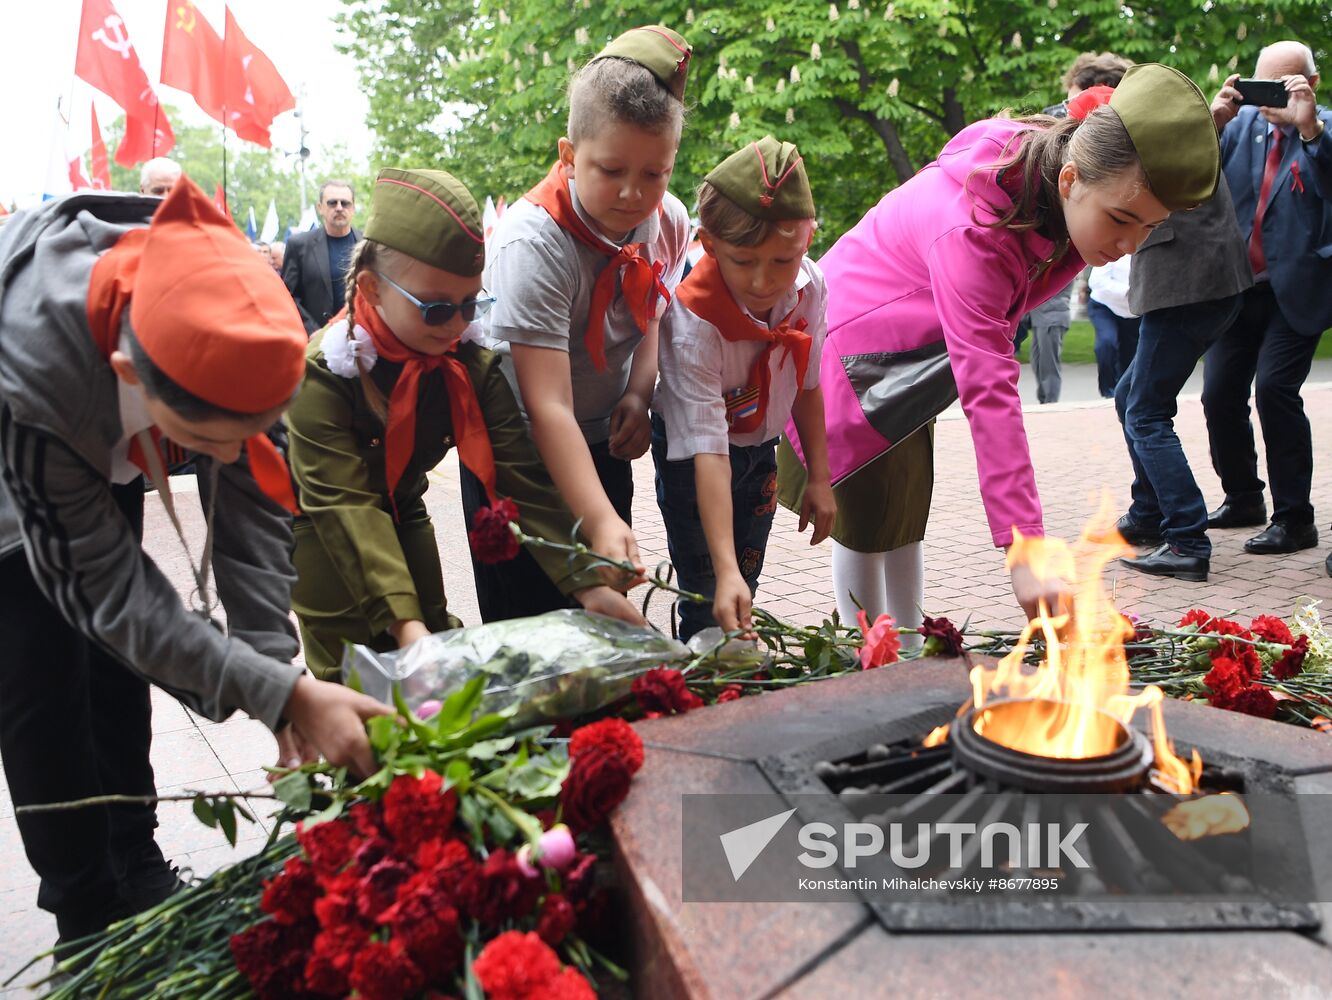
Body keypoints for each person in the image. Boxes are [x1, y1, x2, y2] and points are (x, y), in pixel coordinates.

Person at [0, 179, 390, 952]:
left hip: (107, 411)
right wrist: (276, 694)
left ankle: (133, 855)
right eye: (202, 443)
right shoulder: (42, 378)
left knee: (116, 670)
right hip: (22, 456)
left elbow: (252, 519)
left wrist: (279, 687)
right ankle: (83, 918)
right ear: (131, 377)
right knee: (42, 674)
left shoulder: (239, 320)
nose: (221, 458)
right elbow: (107, 593)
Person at [778, 65, 1221, 626]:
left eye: (1149, 229)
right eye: (1122, 219)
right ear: (1069, 181)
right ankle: (871, 660)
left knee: (901, 522)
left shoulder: (1063, 186)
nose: (1129, 245)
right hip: (852, 361)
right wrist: (1025, 546)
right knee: (865, 527)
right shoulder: (975, 232)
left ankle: (910, 654)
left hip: (910, 370)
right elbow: (990, 389)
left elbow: (1103, 108)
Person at [285, 167, 645, 678]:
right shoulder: (324, 373)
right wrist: (408, 636)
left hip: (402, 506)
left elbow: (520, 476)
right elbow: (346, 506)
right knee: (355, 676)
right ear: (373, 287)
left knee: (434, 632)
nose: (457, 324)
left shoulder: (467, 361)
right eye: (436, 309)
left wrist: (587, 584)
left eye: (470, 304)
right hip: (316, 521)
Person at [470, 25, 691, 620]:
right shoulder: (532, 245)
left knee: (603, 628)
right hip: (517, 456)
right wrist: (597, 519)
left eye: (655, 173)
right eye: (611, 169)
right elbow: (545, 405)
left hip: (598, 440)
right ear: (569, 157)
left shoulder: (668, 218)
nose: (633, 194)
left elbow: (655, 309)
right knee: (532, 632)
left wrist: (639, 393)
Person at [653, 136, 835, 639]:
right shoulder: (693, 322)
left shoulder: (810, 287)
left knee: (745, 579)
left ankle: (733, 660)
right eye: (743, 260)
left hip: (759, 452)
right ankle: (700, 682)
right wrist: (724, 570)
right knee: (706, 588)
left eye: (782, 261)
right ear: (709, 245)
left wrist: (819, 476)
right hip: (694, 460)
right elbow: (707, 449)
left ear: (807, 240)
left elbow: (808, 384)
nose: (762, 281)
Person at [1203, 40, 1332, 558]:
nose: (1267, 99)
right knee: (1218, 395)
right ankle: (1243, 498)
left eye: (1280, 86)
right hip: (1241, 286)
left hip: (1297, 290)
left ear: (1310, 83)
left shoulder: (1321, 129)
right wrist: (1210, 123)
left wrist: (1309, 129)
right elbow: (1192, 176)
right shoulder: (1240, 128)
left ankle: (1295, 519)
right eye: (1260, 85)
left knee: (1275, 390)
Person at [1115, 172, 1252, 582]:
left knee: (1145, 413)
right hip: (1209, 277)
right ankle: (1149, 512)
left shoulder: (1145, 117)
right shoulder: (1183, 114)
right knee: (1130, 397)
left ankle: (1186, 541)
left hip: (1184, 281)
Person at [1022, 51, 1135, 404]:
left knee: (1044, 336)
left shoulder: (1122, 133)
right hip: (1038, 250)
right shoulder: (1053, 124)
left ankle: (1048, 406)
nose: (1066, 103)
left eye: (1071, 93)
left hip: (1052, 253)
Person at [283, 180, 362, 333]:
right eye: (332, 203)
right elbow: (287, 296)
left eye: (345, 203)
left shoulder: (368, 245)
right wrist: (311, 330)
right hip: (316, 342)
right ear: (320, 208)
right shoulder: (299, 245)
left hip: (361, 340)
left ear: (353, 208)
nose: (339, 208)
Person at [1086, 253, 1139, 397]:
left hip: (1134, 313)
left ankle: (1124, 394)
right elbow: (1096, 281)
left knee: (1129, 357)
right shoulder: (1116, 250)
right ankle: (1108, 391)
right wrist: (1128, 291)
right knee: (1106, 343)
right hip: (1104, 306)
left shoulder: (1150, 253)